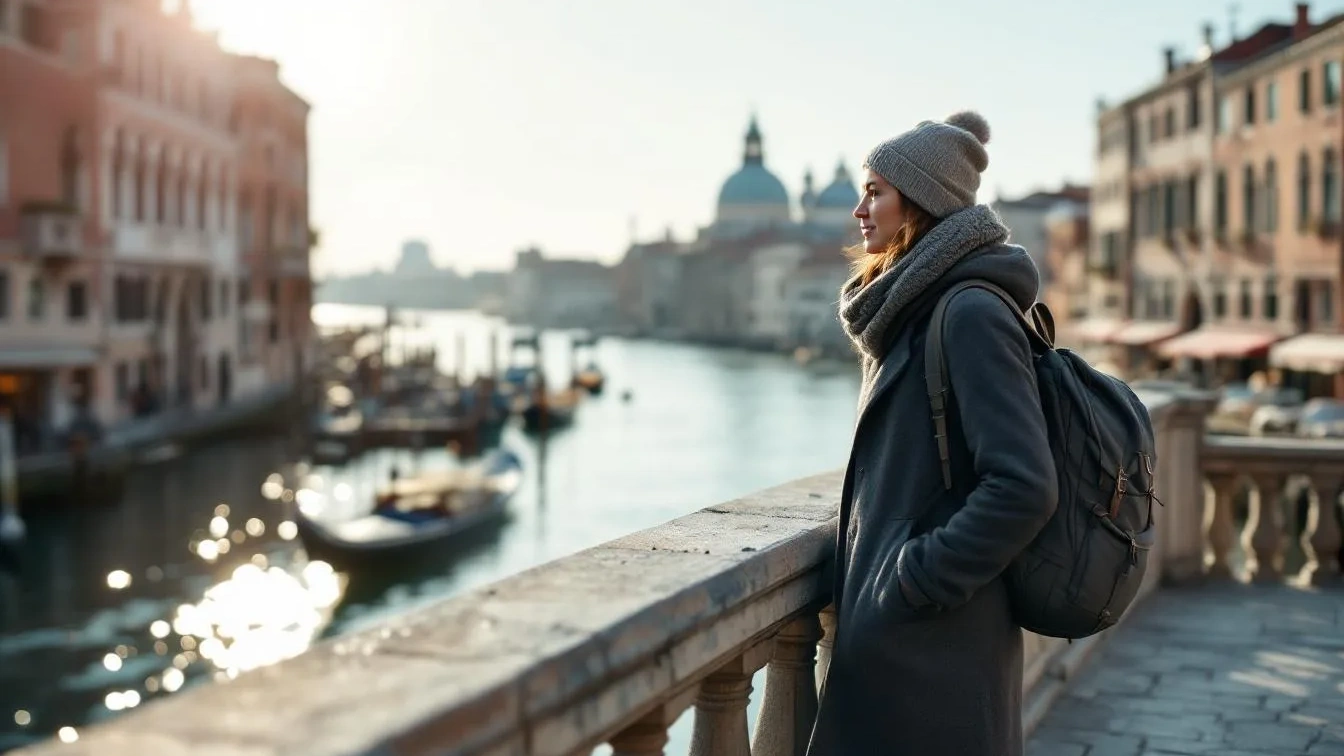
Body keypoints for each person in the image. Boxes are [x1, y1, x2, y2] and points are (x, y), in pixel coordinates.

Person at [807, 112, 1059, 756]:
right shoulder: (910, 306)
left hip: (939, 652)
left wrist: (913, 581)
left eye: (876, 192)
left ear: (917, 204)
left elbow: (1024, 485)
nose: (860, 209)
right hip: (909, 649)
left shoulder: (968, 311)